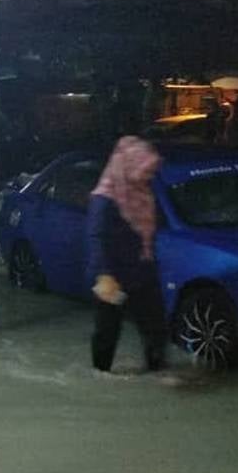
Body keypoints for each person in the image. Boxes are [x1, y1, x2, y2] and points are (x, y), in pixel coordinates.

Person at [86, 136, 168, 374]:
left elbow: (150, 231)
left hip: (142, 272)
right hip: (113, 276)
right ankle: (100, 376)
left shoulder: (143, 193)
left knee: (155, 327)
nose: (148, 175)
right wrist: (104, 275)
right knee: (107, 332)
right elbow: (96, 237)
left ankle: (157, 374)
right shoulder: (104, 199)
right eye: (144, 169)